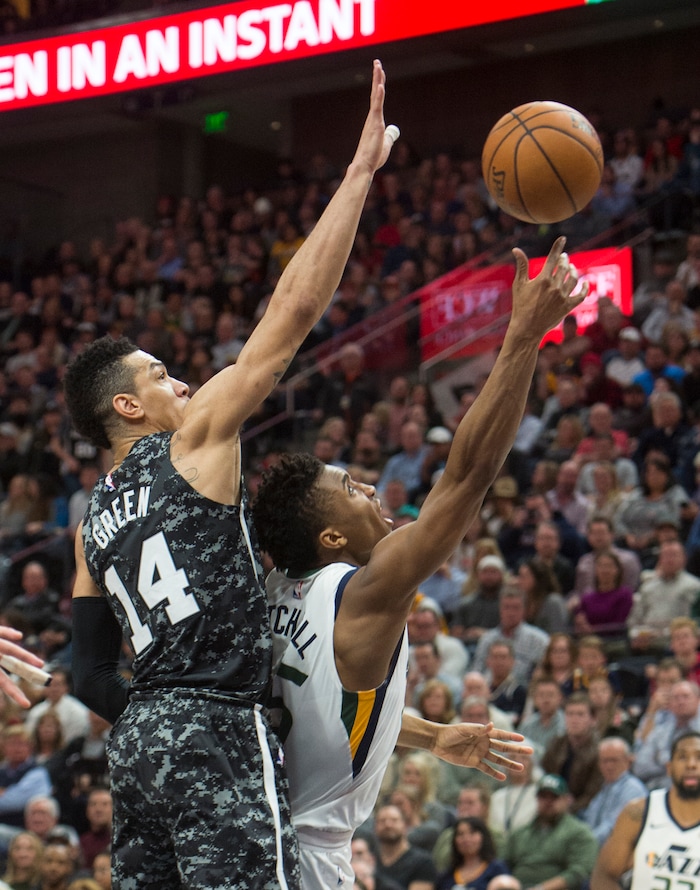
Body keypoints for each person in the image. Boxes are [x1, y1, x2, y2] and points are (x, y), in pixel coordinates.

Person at [65, 60, 403, 890]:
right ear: (128, 408)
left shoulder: (88, 522)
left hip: (138, 748)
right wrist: (359, 176)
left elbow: (86, 674)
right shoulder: (194, 441)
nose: (181, 382)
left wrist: (157, 712)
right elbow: (292, 313)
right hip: (217, 722)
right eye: (160, 375)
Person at [252, 236, 585, 885]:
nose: (370, 488)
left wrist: (431, 736)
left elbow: (328, 711)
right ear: (329, 537)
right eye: (351, 488)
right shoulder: (362, 593)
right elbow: (468, 475)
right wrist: (522, 338)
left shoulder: (276, 587)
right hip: (307, 857)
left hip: (256, 837)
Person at [591, 731, 700, 890]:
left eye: (699, 757)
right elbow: (603, 876)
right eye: (682, 757)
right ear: (669, 768)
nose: (691, 765)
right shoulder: (638, 813)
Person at [501, 774, 598, 890]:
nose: (548, 802)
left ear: (566, 800)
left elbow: (580, 873)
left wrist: (540, 888)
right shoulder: (519, 833)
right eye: (543, 796)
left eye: (554, 797)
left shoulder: (579, 833)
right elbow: (503, 865)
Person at [581, 737, 647, 845]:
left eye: (614, 760)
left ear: (627, 761)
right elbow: (589, 820)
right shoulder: (604, 789)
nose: (609, 766)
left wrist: (585, 843)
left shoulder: (633, 789)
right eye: (604, 761)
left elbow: (614, 826)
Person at [435, 817, 508, 890]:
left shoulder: (497, 870)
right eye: (460, 834)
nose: (466, 839)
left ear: (483, 837)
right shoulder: (447, 876)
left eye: (472, 833)